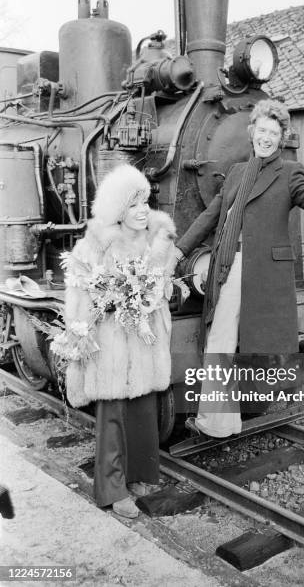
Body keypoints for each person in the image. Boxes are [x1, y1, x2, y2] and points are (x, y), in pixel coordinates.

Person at [175, 99, 304, 438]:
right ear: (252, 131)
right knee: (220, 341)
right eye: (262, 130)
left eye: (274, 132)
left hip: (262, 273)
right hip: (227, 266)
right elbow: (211, 215)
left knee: (249, 346)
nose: (266, 138)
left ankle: (241, 407)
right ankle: (218, 421)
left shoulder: (288, 173)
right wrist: (178, 249)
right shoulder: (238, 172)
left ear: (281, 137)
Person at [59, 164, 176, 518]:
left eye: (145, 202)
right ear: (116, 209)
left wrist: (153, 297)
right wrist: (90, 320)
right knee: (112, 417)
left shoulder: (158, 240)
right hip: (108, 344)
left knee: (143, 411)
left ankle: (140, 473)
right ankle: (111, 488)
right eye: (133, 204)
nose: (143, 210)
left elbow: (166, 288)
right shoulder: (95, 243)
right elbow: (77, 293)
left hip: (143, 340)